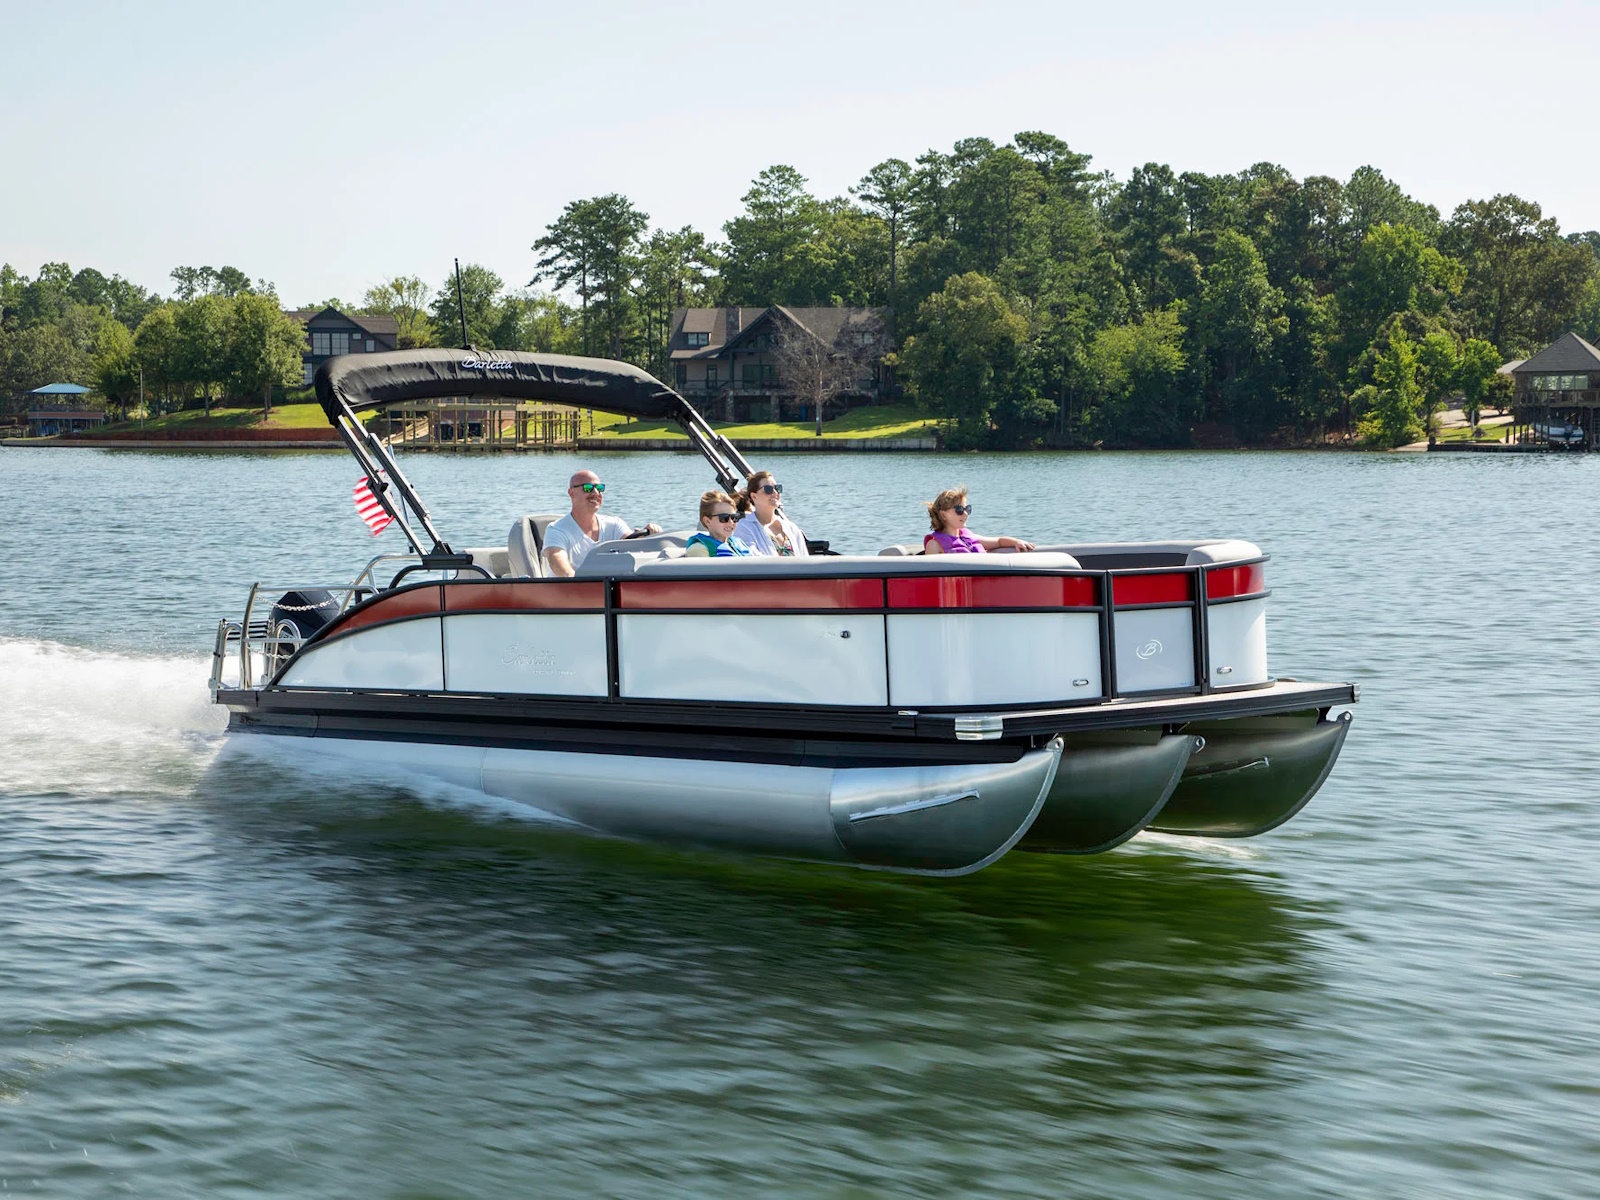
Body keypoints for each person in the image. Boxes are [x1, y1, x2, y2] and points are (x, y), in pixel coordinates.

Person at [542, 469, 661, 576]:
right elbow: (559, 564)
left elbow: (634, 546)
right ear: (572, 493)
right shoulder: (556, 530)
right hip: (571, 591)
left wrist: (651, 537)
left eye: (599, 488)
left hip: (607, 589)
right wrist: (578, 583)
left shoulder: (614, 524)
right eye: (588, 488)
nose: (595, 493)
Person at [922, 487, 1036, 554]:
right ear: (943, 515)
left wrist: (1016, 542)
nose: (965, 513)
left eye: (967, 509)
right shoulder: (934, 545)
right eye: (959, 509)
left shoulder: (969, 537)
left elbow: (999, 541)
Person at [732, 470, 809, 557]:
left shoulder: (792, 528)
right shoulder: (743, 527)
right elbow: (751, 558)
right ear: (754, 496)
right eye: (768, 489)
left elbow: (805, 559)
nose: (775, 493)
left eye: (777, 488)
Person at [685, 491, 752, 557]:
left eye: (734, 517)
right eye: (724, 518)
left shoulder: (740, 544)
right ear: (707, 521)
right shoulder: (698, 549)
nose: (731, 522)